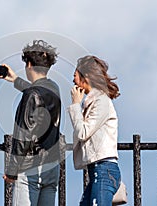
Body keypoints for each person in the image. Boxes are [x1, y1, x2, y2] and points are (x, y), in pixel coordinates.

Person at [1, 40, 61, 206]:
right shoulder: (54, 88)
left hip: (30, 167)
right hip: (51, 166)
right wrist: (15, 80)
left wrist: (12, 172)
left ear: (28, 64)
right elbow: (39, 93)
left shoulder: (31, 95)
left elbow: (23, 136)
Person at [67, 55, 121, 206]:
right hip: (97, 171)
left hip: (104, 170)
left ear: (87, 76)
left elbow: (83, 132)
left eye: (75, 76)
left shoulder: (101, 100)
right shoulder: (91, 102)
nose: (73, 81)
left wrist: (75, 105)